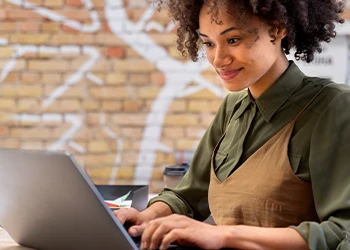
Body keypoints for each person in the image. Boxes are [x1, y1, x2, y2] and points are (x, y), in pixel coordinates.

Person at [115, 0, 350, 249]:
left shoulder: (333, 108)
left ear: (278, 29)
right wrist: (147, 217)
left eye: (233, 40)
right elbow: (188, 196)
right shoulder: (232, 108)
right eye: (208, 43)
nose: (218, 59)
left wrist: (223, 235)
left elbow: (342, 232)